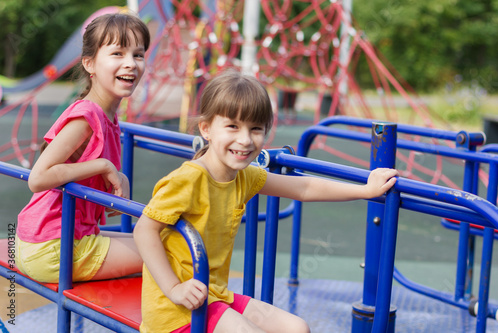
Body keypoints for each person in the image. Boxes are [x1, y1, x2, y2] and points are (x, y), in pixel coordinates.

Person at [133, 70, 399, 333]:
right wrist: (174, 288)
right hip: (176, 310)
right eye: (233, 126)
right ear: (206, 129)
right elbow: (144, 229)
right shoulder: (189, 179)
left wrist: (365, 190)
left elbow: (303, 187)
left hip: (214, 295)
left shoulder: (243, 176)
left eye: (256, 129)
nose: (245, 139)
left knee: (297, 328)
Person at [15, 13, 150, 283]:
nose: (130, 64)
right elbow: (38, 178)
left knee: (154, 237)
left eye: (138, 55)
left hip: (63, 236)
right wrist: (103, 166)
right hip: (52, 246)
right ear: (90, 64)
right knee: (171, 251)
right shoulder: (87, 116)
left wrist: (118, 178)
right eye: (117, 53)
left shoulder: (108, 116)